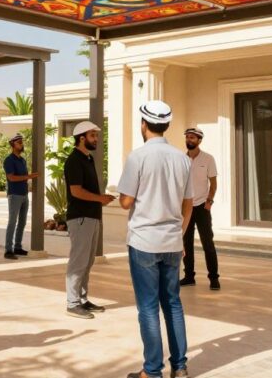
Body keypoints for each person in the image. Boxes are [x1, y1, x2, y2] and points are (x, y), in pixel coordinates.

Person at [117, 101, 193, 378]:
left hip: (144, 242)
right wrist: (180, 235)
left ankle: (152, 371)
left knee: (148, 307)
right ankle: (180, 367)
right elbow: (188, 205)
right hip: (173, 242)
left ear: (144, 124)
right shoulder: (183, 159)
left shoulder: (137, 157)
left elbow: (125, 202)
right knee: (172, 303)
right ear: (168, 125)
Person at [63, 120, 115, 319]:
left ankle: (82, 300)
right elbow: (76, 191)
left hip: (92, 216)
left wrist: (101, 200)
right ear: (82, 138)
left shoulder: (89, 159)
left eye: (96, 135)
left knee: (88, 260)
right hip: (81, 218)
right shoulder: (74, 160)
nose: (96, 139)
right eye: (93, 135)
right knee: (78, 260)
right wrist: (100, 198)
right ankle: (72, 303)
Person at [180, 126, 220, 290]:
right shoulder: (181, 159)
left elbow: (213, 183)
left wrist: (209, 201)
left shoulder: (208, 159)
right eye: (187, 137)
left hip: (202, 207)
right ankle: (189, 276)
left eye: (192, 138)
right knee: (186, 243)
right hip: (185, 207)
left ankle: (214, 278)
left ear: (199, 140)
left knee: (208, 244)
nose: (189, 140)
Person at [3, 132, 39, 260]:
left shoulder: (22, 160)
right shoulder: (9, 160)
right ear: (13, 144)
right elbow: (11, 178)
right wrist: (29, 177)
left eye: (22, 142)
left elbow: (24, 178)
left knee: (22, 222)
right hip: (14, 195)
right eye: (19, 142)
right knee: (12, 222)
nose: (21, 144)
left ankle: (17, 247)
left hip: (24, 194)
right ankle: (8, 249)